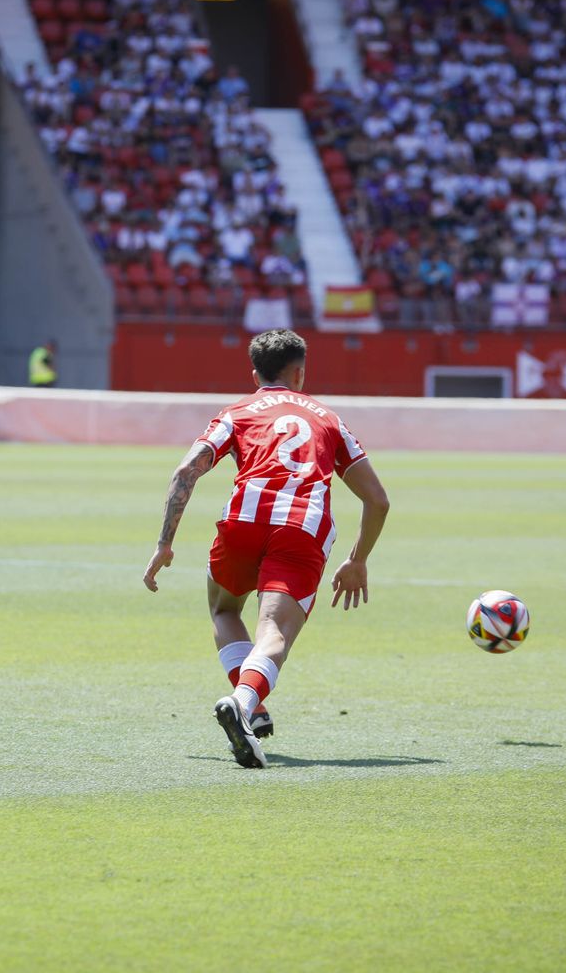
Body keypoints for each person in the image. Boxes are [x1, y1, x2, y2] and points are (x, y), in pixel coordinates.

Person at [142, 329, 391, 769]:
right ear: (299, 372)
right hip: (302, 527)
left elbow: (186, 472)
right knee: (273, 629)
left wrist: (165, 544)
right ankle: (243, 701)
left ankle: (250, 708)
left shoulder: (237, 412)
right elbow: (378, 499)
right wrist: (358, 559)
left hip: (241, 521)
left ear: (255, 373)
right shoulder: (328, 419)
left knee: (224, 610)